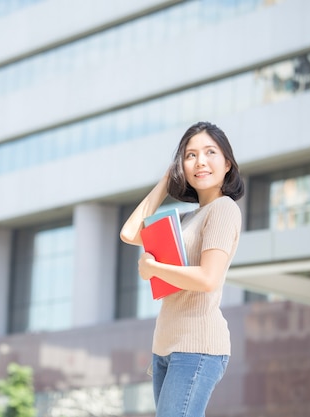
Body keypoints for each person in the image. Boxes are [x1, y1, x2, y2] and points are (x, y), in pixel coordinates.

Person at [120, 121, 244, 417]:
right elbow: (129, 232)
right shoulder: (186, 218)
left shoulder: (224, 209)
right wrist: (165, 182)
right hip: (165, 347)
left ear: (227, 163)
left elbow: (207, 278)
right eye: (190, 155)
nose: (200, 161)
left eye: (210, 152)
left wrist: (155, 269)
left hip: (197, 347)